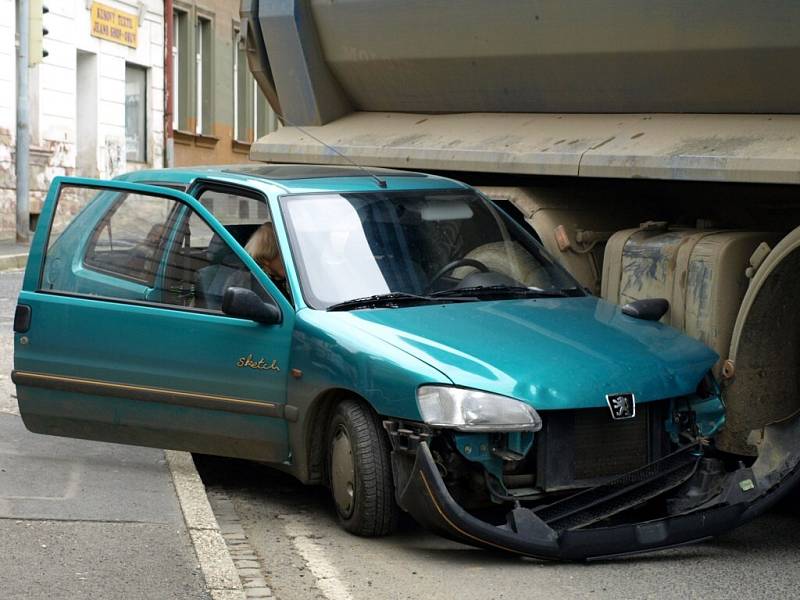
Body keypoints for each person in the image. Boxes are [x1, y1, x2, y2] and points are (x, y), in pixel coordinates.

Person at [244, 222, 290, 300]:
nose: (289, 261)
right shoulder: (254, 284)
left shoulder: (274, 281)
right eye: (284, 255)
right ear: (266, 258)